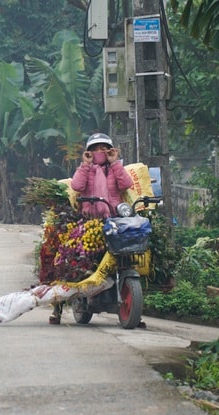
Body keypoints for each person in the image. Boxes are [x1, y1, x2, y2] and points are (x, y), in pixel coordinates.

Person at [48, 132, 134, 324]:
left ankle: (130, 304)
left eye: (103, 148)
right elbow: (77, 186)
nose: (99, 152)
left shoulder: (114, 169)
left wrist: (115, 162)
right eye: (94, 149)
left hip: (114, 220)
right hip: (89, 221)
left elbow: (126, 184)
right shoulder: (87, 169)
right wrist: (85, 165)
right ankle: (59, 308)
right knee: (72, 259)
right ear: (89, 152)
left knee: (128, 255)